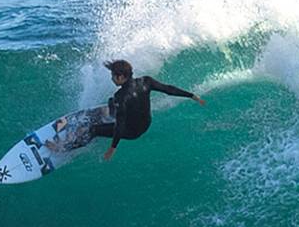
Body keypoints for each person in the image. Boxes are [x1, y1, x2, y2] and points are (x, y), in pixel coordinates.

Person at [51, 60, 204, 159]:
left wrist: (112, 148)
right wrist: (191, 95)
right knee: (111, 102)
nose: (112, 79)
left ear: (121, 77)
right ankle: (107, 113)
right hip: (146, 124)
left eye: (113, 76)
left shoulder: (121, 96)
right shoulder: (146, 81)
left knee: (94, 130)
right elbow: (168, 89)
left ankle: (63, 148)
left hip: (132, 131)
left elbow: (120, 125)